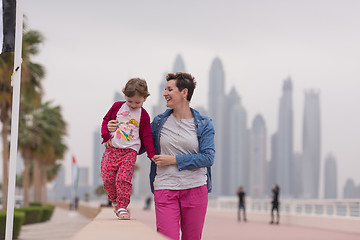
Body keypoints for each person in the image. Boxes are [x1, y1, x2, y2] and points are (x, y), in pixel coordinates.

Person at [108, 72, 215, 240]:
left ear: (184, 92)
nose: (164, 93)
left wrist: (174, 160)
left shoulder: (204, 123)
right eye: (165, 89)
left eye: (169, 89)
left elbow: (208, 158)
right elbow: (137, 145)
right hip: (165, 189)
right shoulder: (158, 122)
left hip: (195, 189)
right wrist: (115, 131)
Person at [101, 78, 155, 220]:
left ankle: (123, 206)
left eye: (137, 102)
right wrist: (106, 136)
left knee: (123, 179)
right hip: (112, 149)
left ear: (145, 99)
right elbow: (105, 121)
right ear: (125, 95)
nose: (133, 105)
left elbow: (147, 135)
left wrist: (151, 154)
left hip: (129, 152)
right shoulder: (117, 107)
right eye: (130, 101)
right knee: (107, 179)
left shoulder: (143, 115)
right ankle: (115, 201)